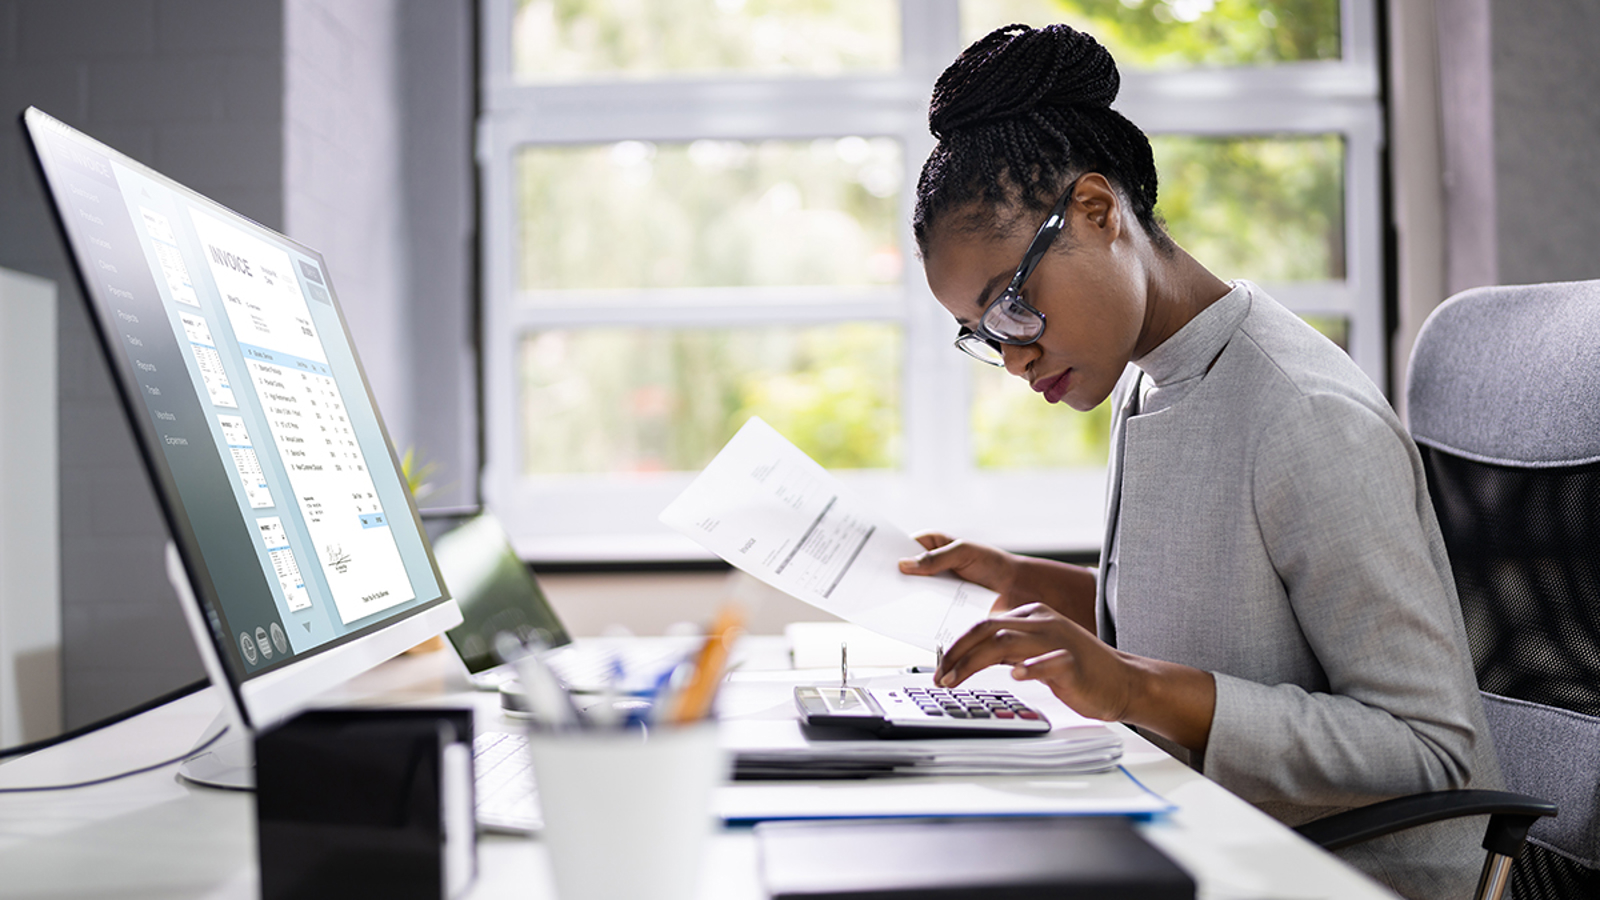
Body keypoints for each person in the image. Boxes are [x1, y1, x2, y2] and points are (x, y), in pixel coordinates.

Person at [897, 23, 1500, 900]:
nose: (1015, 355)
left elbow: (1432, 751)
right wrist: (1024, 581)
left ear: (1100, 214)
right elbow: (1220, 629)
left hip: (1336, 873)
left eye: (1014, 306)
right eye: (984, 335)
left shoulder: (1304, 416)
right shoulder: (1154, 378)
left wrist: (1132, 687)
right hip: (1200, 828)